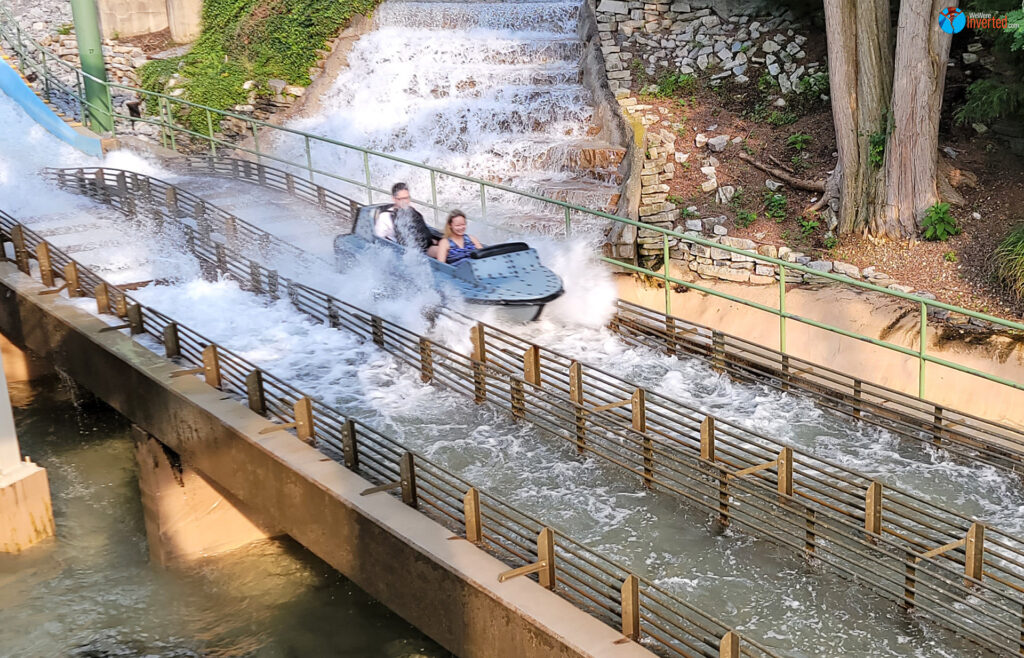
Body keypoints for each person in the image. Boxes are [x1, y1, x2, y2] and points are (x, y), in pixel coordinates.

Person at [374, 182, 437, 256]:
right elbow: (378, 241)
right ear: (394, 199)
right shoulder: (385, 217)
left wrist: (431, 241)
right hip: (402, 253)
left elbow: (422, 229)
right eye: (401, 199)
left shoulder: (411, 211)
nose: (405, 201)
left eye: (407, 198)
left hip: (421, 247)